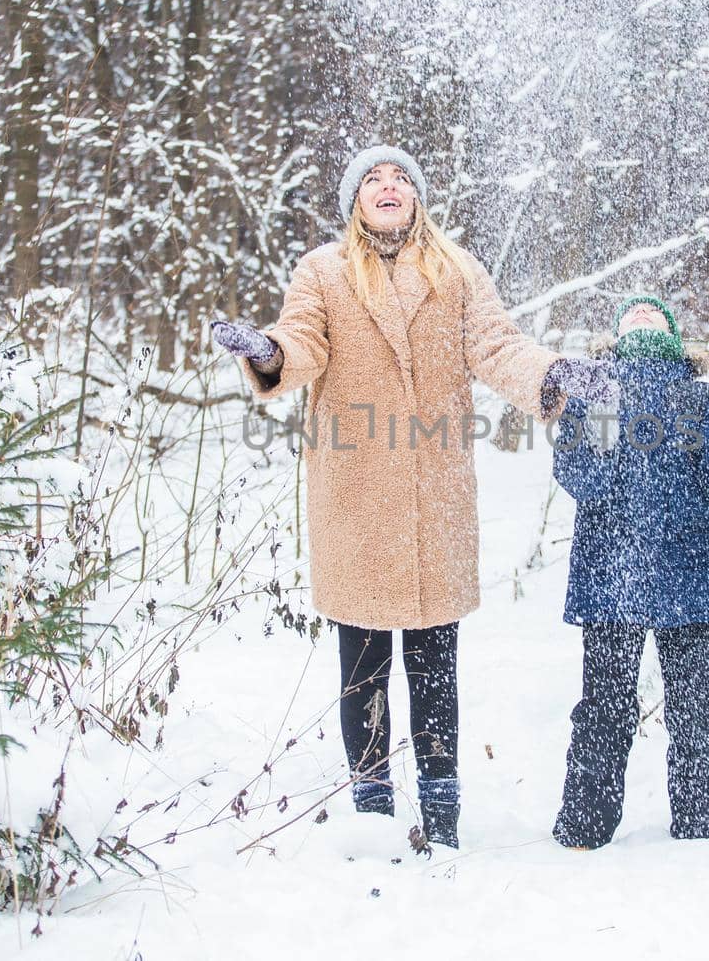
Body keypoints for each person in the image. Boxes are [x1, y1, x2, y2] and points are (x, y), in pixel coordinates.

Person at [209, 145, 618, 849]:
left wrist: (555, 373)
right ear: (355, 202)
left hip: (435, 501)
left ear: (417, 198)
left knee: (435, 667)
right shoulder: (324, 273)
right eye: (374, 178)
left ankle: (443, 816)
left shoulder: (455, 271)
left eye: (401, 177)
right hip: (357, 497)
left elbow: (497, 347)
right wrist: (267, 352)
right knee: (363, 663)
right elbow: (302, 341)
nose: (388, 185)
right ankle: (371, 816)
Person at [548, 293, 709, 849]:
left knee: (698, 714)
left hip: (689, 573)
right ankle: (584, 830)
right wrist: (600, 411)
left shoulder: (698, 397)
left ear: (673, 331)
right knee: (604, 711)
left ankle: (705, 830)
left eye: (654, 311)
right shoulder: (594, 391)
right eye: (630, 311)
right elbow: (582, 480)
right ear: (615, 333)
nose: (640, 313)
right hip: (610, 577)